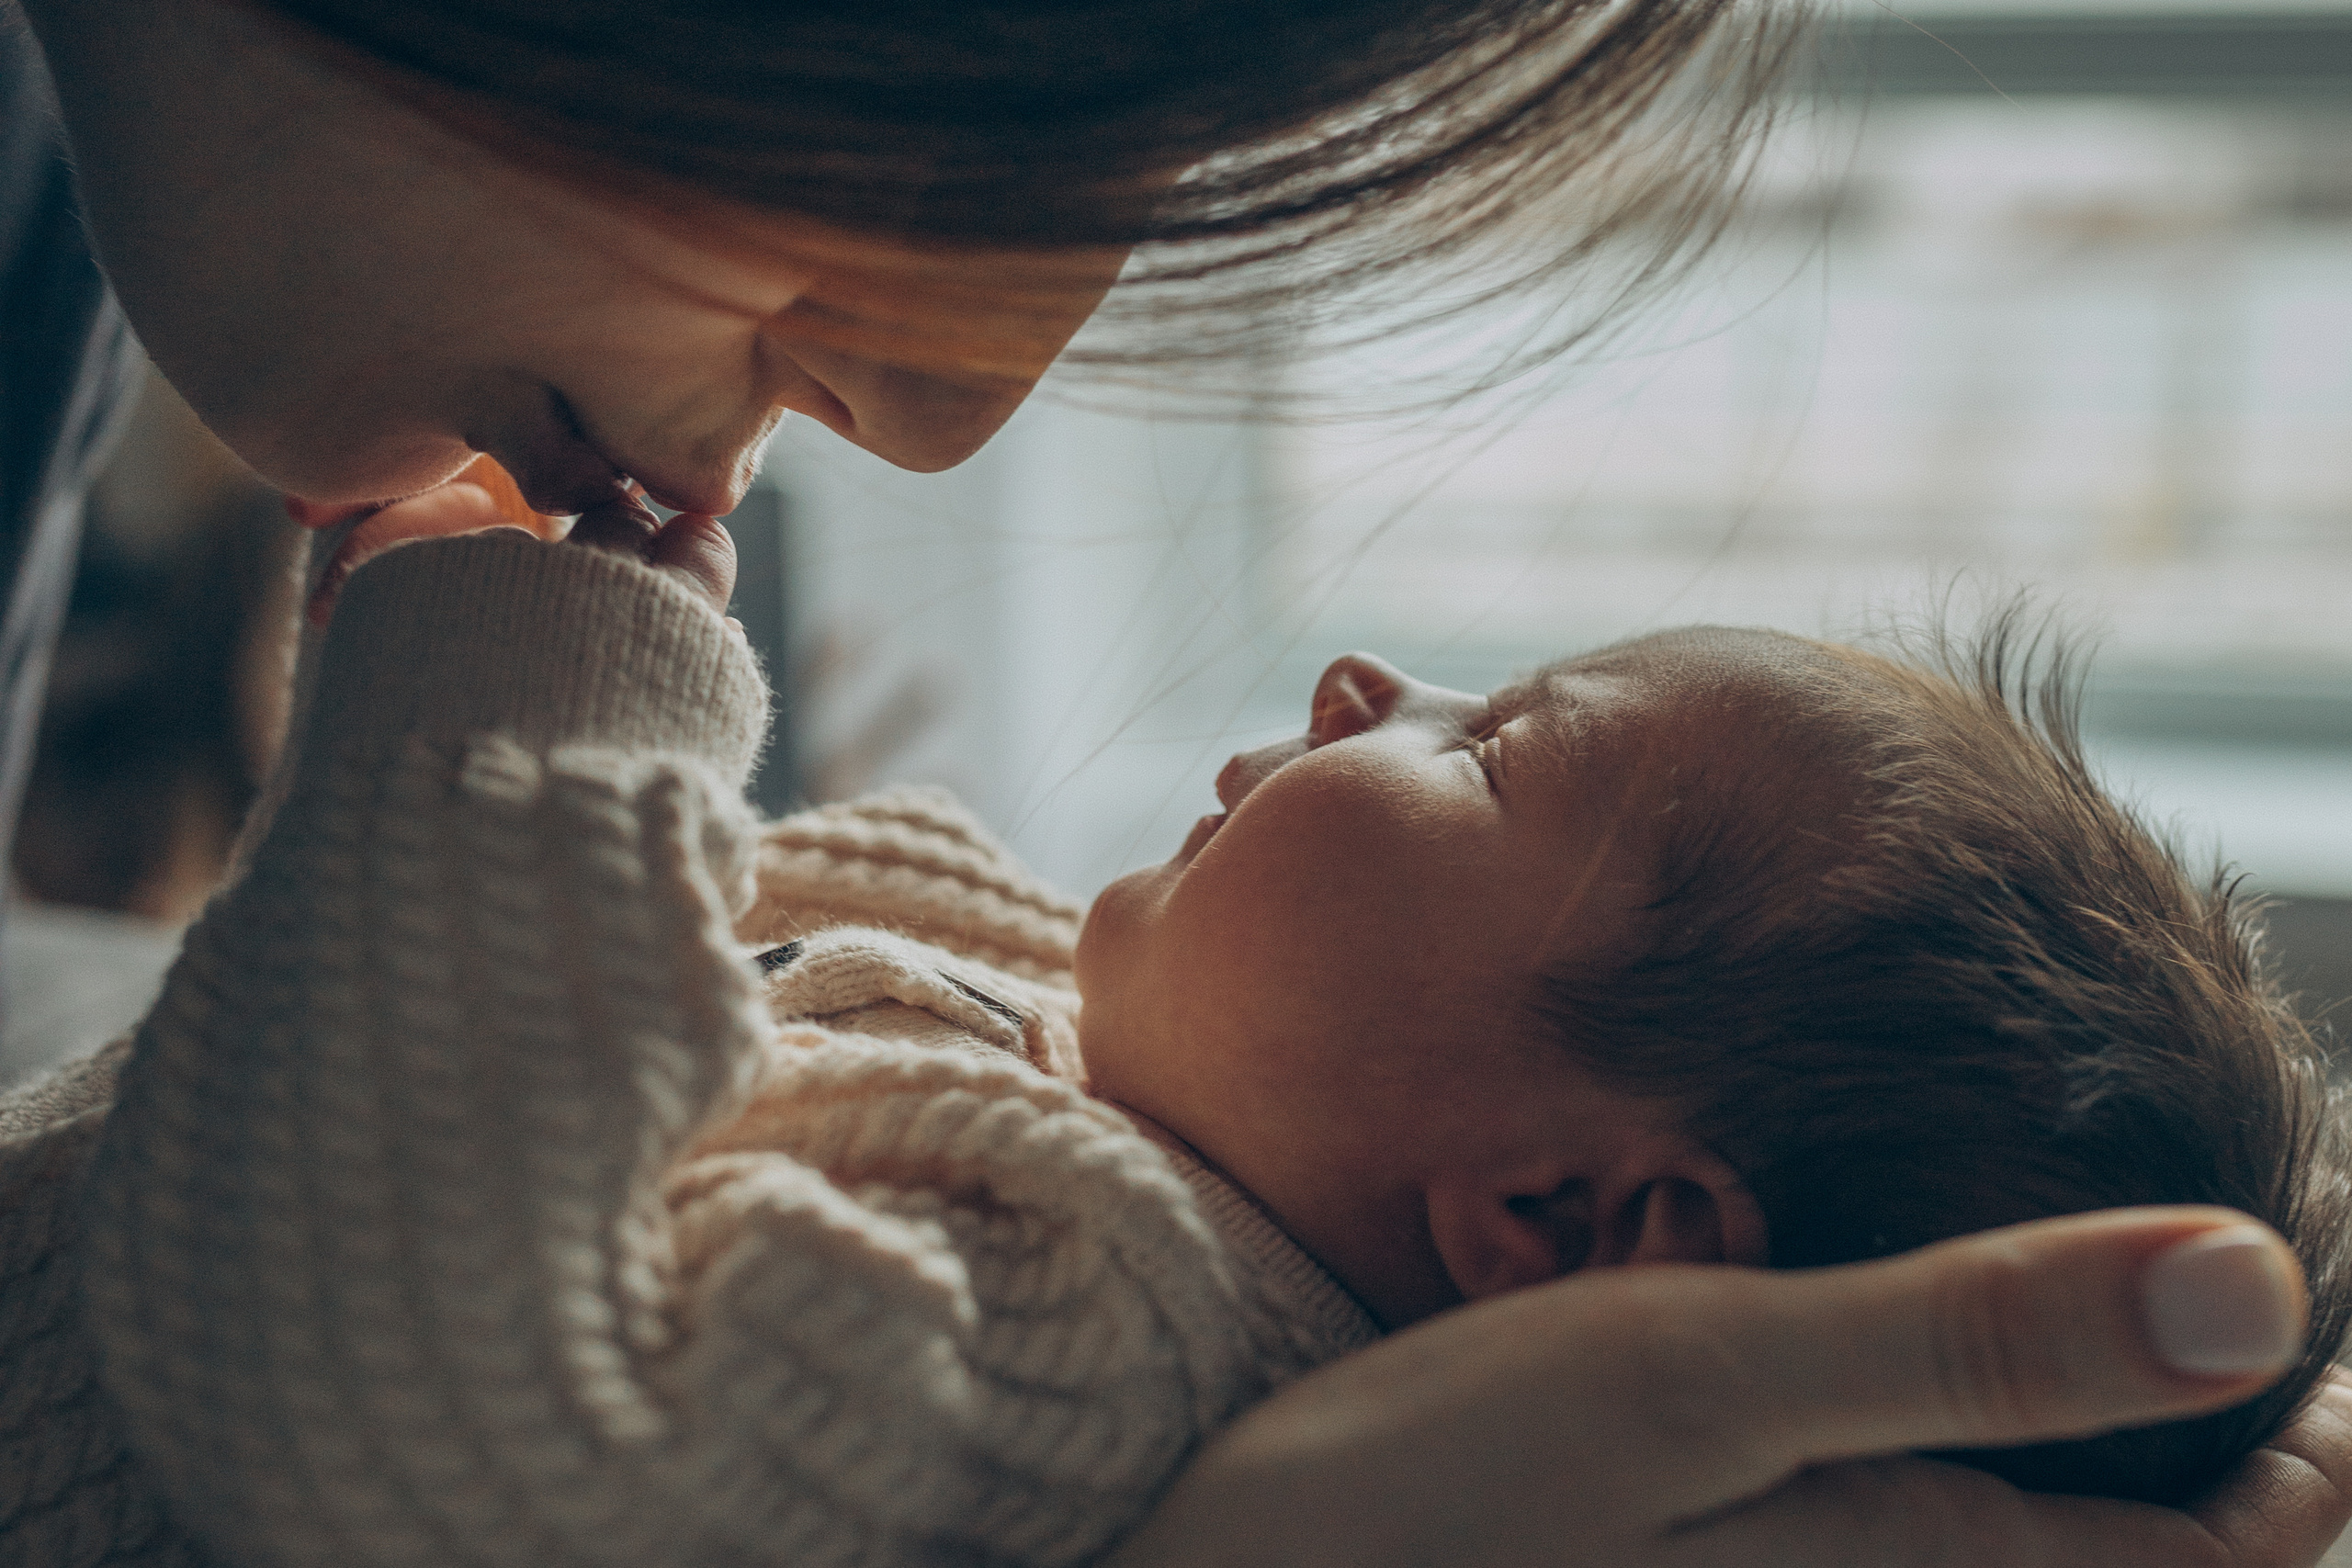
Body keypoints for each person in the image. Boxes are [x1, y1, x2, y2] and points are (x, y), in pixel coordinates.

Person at [3, 0, 2348, 1562]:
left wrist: (522, 702)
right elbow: (713, 1004)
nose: (1364, 677)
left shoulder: (1105, 1309)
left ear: (1553, 1222)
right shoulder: (1113, 1103)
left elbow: (418, 1419)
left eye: (1498, 746)